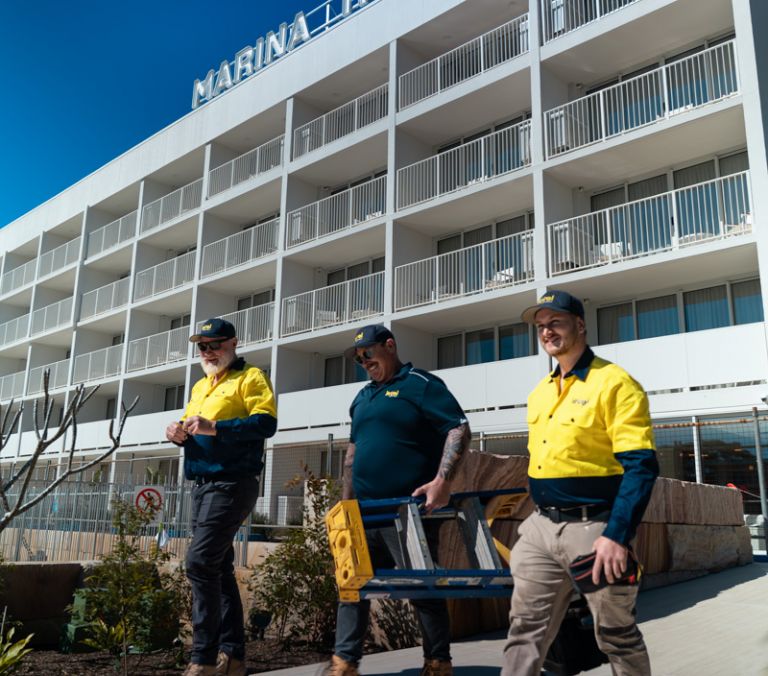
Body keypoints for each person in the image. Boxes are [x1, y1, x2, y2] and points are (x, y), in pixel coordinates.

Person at [502, 290, 659, 676]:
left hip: (595, 529)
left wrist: (618, 534)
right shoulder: (540, 393)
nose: (546, 331)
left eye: (555, 322)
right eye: (541, 326)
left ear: (580, 325)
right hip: (540, 529)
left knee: (617, 635)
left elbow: (641, 466)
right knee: (524, 632)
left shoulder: (615, 383)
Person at [327, 324, 471, 676]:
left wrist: (442, 481)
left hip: (407, 513)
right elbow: (352, 453)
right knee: (351, 586)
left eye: (369, 353)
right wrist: (345, 506)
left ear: (389, 346)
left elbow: (458, 427)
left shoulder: (420, 385)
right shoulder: (362, 397)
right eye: (359, 358)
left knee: (423, 588)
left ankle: (438, 662)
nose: (364, 362)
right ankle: (344, 664)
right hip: (363, 514)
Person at [165, 318, 277, 676]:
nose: (209, 352)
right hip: (201, 485)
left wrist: (218, 428)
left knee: (199, 562)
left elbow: (266, 424)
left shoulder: (251, 377)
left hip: (232, 484)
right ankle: (235, 658)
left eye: (215, 344)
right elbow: (188, 423)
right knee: (217, 568)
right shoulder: (201, 386)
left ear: (233, 344)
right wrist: (176, 431)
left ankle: (203, 658)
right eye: (203, 346)